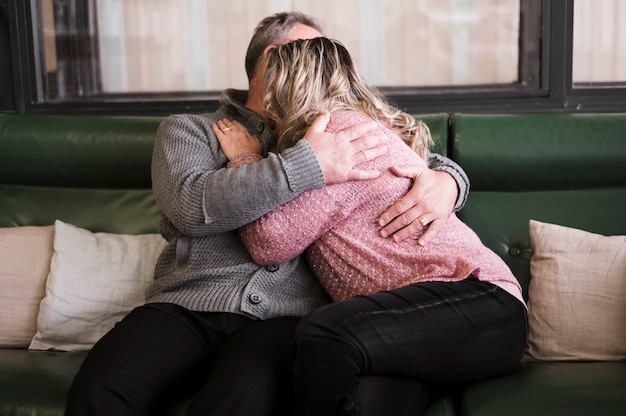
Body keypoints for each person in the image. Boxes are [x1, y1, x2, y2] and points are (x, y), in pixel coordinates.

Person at [65, 13, 469, 416]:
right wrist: (306, 164)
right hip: (185, 308)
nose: (322, 70)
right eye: (309, 53)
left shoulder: (339, 128)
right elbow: (192, 207)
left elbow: (414, 158)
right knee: (100, 392)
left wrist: (449, 181)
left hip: (285, 319)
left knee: (240, 401)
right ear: (274, 57)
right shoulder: (188, 130)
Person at [220, 37, 528, 416]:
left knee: (324, 333)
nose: (266, 108)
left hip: (477, 303)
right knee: (365, 404)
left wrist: (245, 159)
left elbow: (270, 242)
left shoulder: (343, 138)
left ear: (289, 90)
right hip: (416, 325)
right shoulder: (355, 132)